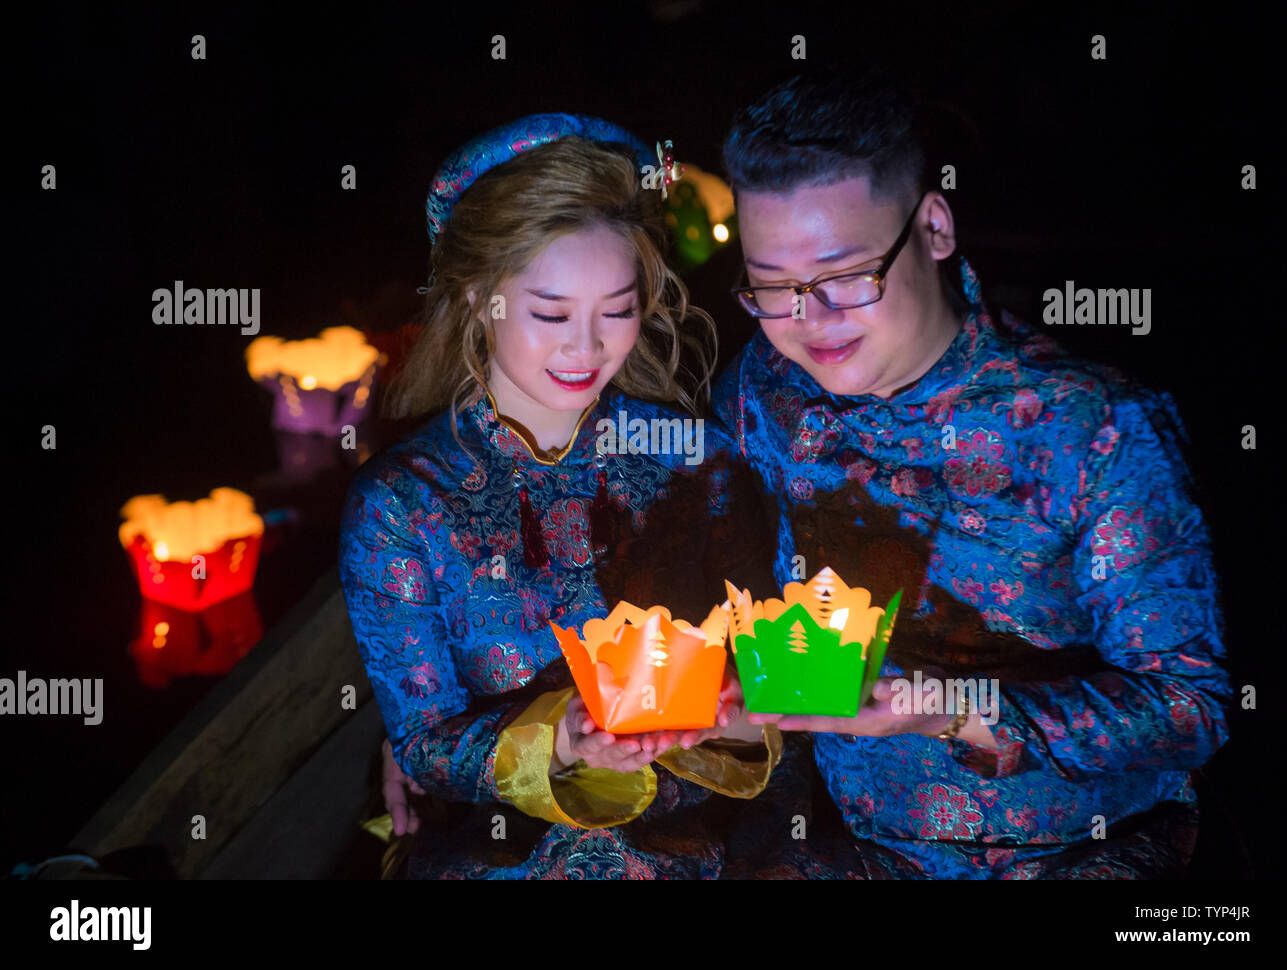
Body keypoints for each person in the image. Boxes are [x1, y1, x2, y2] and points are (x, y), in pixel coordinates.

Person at [713, 70, 1231, 878]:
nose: (808, 321)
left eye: (846, 275)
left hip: (1079, 855)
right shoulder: (763, 390)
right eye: (773, 287)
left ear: (934, 226)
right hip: (851, 848)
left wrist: (947, 709)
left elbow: (1189, 709)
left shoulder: (1092, 427)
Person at [341, 114, 856, 878]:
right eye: (552, 314)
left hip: (720, 835)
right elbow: (425, 741)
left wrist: (748, 716)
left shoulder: (700, 456)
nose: (586, 348)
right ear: (482, 298)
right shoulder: (404, 503)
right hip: (517, 848)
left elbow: (782, 680)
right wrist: (562, 742)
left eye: (616, 310)